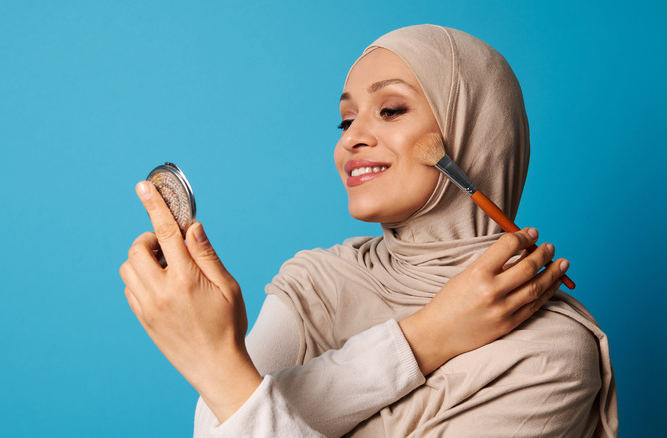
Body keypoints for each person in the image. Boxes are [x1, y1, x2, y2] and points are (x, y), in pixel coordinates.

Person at [120, 25, 617, 437]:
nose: (353, 137)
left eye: (392, 109)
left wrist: (218, 364)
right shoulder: (316, 281)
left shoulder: (551, 352)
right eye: (346, 119)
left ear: (476, 131)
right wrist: (423, 339)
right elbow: (219, 420)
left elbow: (236, 400)